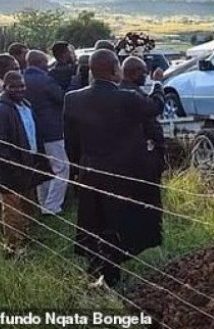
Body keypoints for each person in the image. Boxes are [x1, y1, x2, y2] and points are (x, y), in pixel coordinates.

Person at [64, 49, 164, 286]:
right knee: (121, 221)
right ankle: (112, 271)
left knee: (95, 220)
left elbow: (71, 141)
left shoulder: (73, 99)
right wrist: (158, 84)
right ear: (114, 70)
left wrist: (79, 166)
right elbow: (154, 107)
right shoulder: (127, 98)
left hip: (91, 171)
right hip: (123, 173)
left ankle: (99, 265)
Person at [0, 71, 49, 257]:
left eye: (22, 86)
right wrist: (13, 164)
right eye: (14, 86)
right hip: (10, 168)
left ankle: (26, 238)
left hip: (28, 163)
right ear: (5, 87)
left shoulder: (25, 105)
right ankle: (13, 248)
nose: (19, 89)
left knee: (29, 206)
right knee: (13, 211)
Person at [119, 56, 165, 249]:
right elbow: (154, 108)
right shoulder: (131, 94)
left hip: (128, 155)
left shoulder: (122, 91)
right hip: (142, 156)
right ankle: (147, 237)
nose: (145, 75)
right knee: (147, 196)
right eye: (143, 72)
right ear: (133, 72)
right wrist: (158, 83)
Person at [24, 50, 69, 215]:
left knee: (42, 168)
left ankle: (43, 203)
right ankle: (52, 206)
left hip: (32, 131)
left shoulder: (21, 78)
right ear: (40, 63)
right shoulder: (46, 80)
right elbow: (61, 98)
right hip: (51, 130)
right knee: (62, 168)